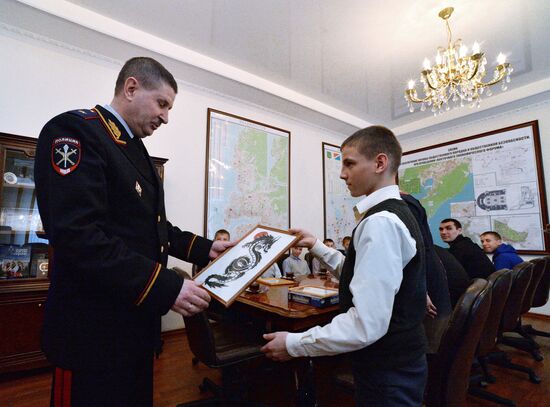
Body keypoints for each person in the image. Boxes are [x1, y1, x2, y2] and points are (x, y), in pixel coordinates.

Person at [34, 57, 232, 407]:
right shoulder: (77, 131)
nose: (166, 117)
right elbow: (77, 236)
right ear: (131, 87)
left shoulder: (134, 149)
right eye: (162, 103)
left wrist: (206, 250)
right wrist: (167, 287)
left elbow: (152, 228)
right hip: (90, 333)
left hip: (132, 326)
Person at [262, 126, 427, 406]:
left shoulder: (380, 223)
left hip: (387, 370)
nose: (342, 173)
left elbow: (365, 325)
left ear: (379, 163)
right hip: (401, 360)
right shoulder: (394, 213)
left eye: (349, 163)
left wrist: (294, 344)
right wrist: (315, 244)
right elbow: (359, 272)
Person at [400, 192, 451, 354]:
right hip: (428, 277)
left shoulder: (402, 203)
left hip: (426, 285)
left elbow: (414, 247)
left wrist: (420, 288)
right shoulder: (410, 200)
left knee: (426, 348)